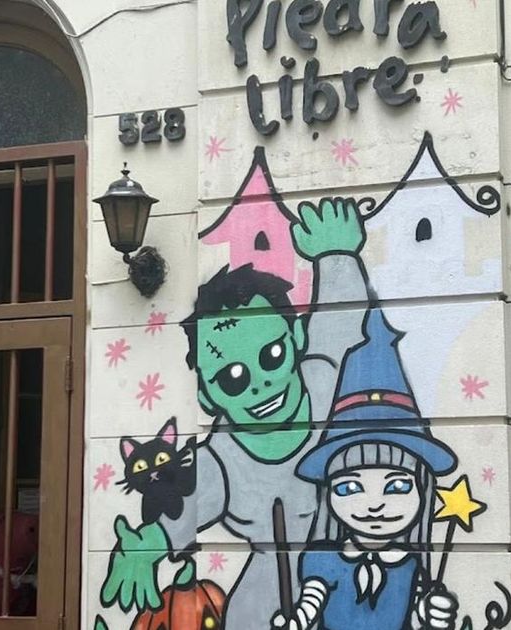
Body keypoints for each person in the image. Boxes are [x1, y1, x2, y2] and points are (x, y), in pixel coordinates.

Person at [100, 198, 371, 630]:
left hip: (354, 581)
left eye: (272, 355)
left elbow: (338, 326)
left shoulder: (321, 384)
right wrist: (147, 544)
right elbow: (187, 500)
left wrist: (337, 256)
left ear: (296, 337)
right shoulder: (222, 459)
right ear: (207, 396)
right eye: (232, 379)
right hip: (270, 599)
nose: (260, 384)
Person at [272, 309, 460, 630]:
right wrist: (294, 622)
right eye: (349, 487)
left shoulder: (410, 565)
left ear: (421, 487)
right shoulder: (322, 561)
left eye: (397, 486)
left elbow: (416, 617)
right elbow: (309, 604)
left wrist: (432, 616)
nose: (374, 505)